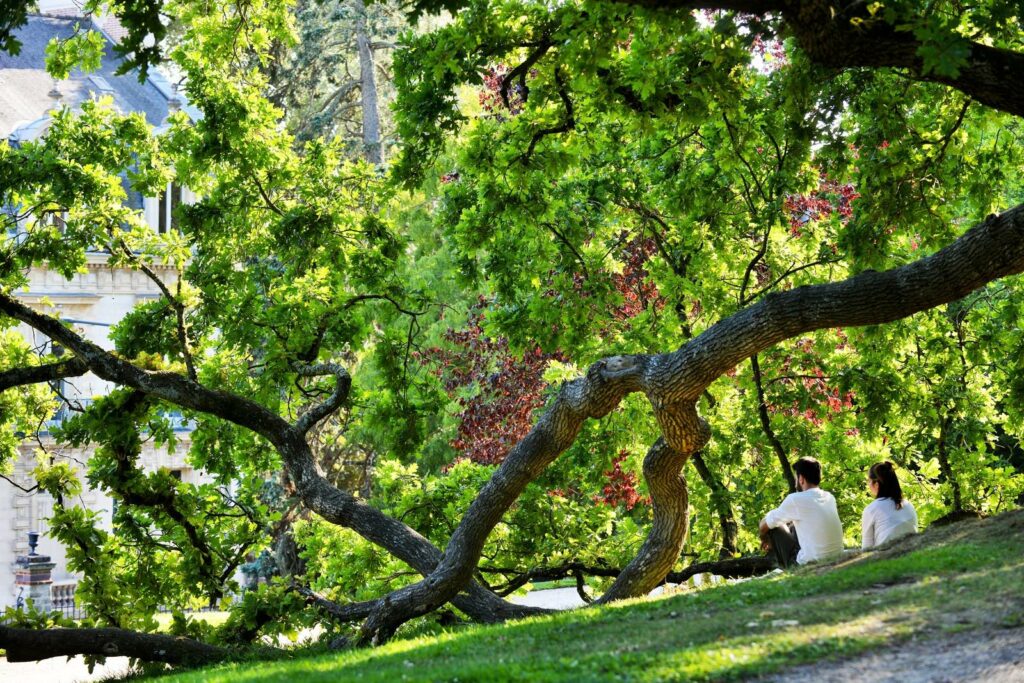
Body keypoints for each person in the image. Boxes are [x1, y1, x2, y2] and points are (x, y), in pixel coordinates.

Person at [759, 457, 844, 568]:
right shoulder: (829, 497)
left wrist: (764, 536)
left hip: (809, 566)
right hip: (837, 560)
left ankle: (787, 571)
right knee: (792, 525)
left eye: (796, 477)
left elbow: (763, 526)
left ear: (801, 479)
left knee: (773, 526)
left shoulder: (795, 499)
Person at [862, 461, 917, 549]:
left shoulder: (872, 509)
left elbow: (866, 548)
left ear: (876, 484)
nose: (868, 484)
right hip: (912, 555)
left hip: (884, 558)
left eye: (869, 481)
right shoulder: (909, 505)